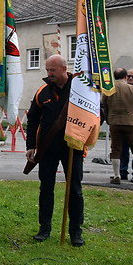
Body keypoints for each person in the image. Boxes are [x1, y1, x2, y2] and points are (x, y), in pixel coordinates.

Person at [25, 55, 86, 246]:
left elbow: (95, 114)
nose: (49, 73)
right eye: (47, 70)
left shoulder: (80, 89)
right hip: (47, 148)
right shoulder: (42, 92)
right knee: (46, 189)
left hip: (72, 147)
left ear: (63, 68)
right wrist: (30, 146)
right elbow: (33, 120)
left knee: (74, 190)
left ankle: (76, 232)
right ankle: (44, 229)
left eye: (52, 70)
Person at [103, 67, 133, 186]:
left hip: (115, 123)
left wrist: (108, 119)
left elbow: (104, 107)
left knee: (116, 150)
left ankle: (117, 176)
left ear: (114, 77)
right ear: (126, 77)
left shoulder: (108, 90)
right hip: (131, 123)